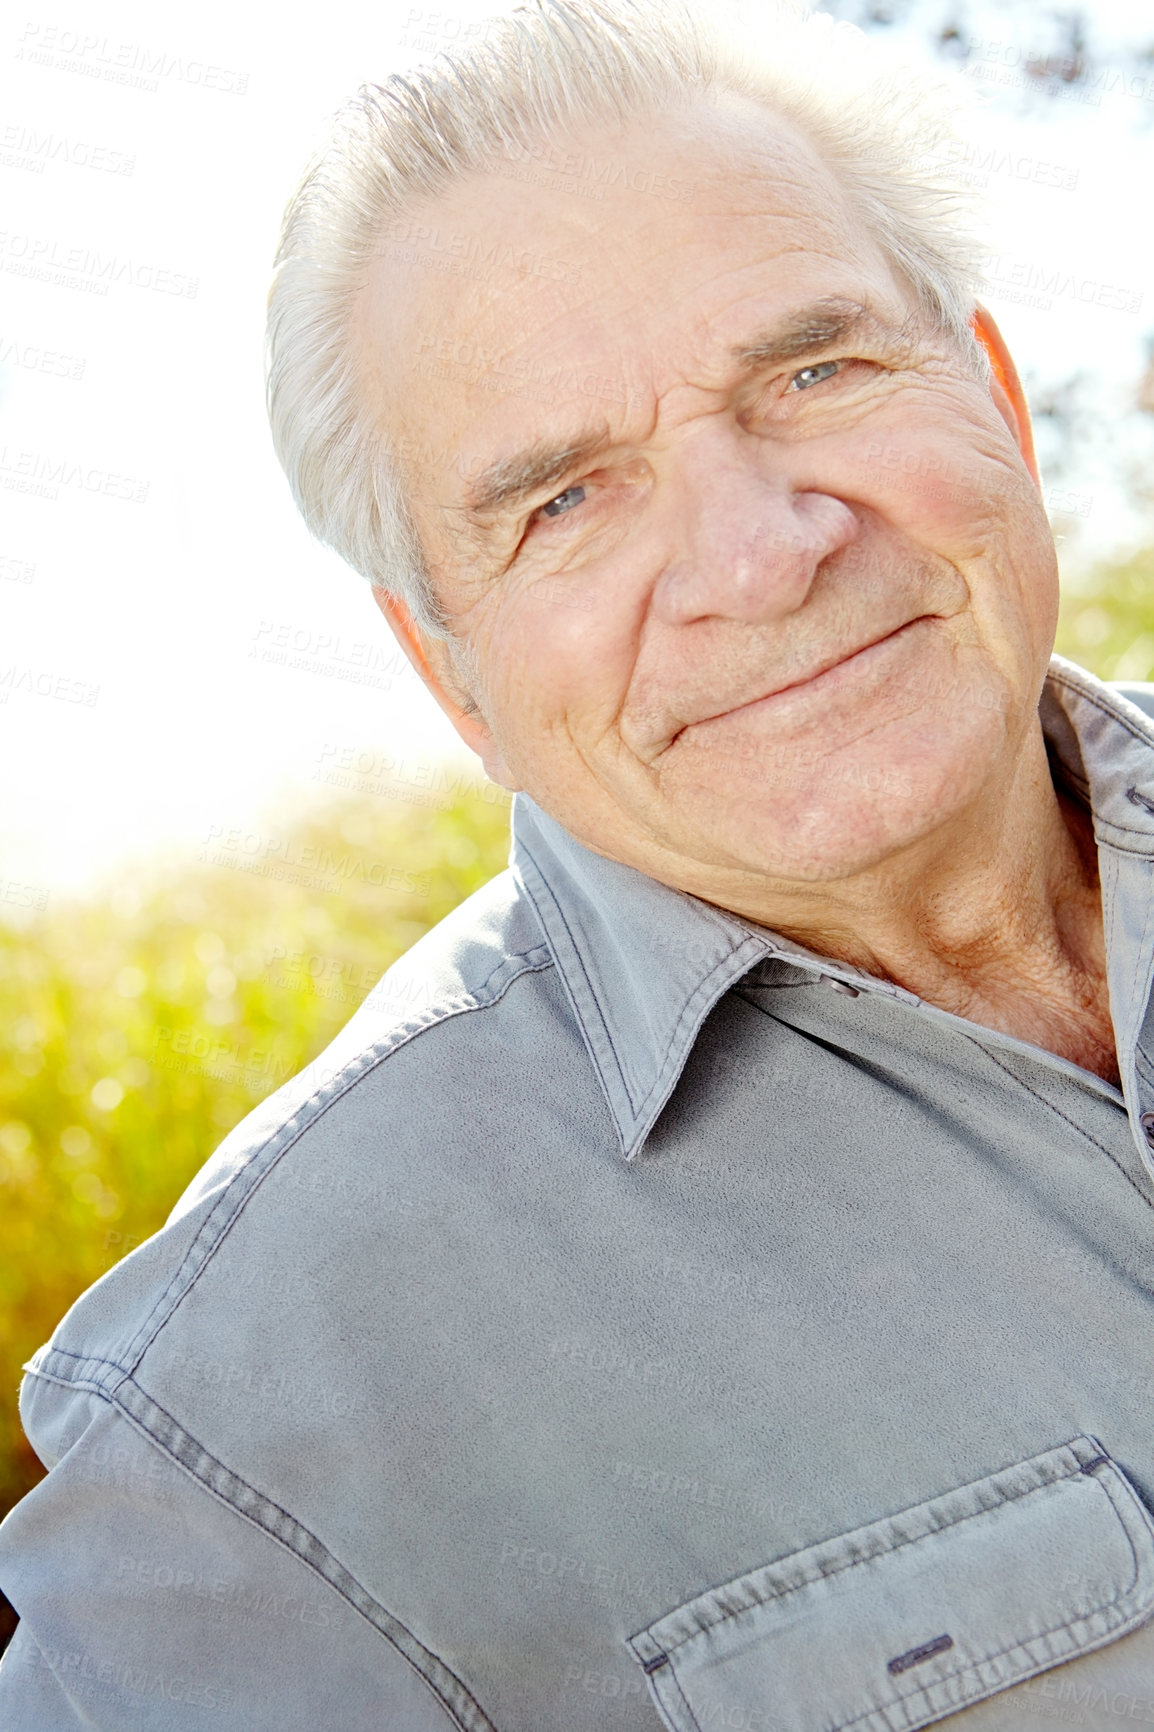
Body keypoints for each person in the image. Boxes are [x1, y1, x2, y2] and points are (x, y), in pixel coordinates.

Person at [3, 0, 1154, 1725]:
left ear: (991, 392)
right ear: (445, 663)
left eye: (812, 372)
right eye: (564, 500)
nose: (759, 557)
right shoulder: (261, 1410)